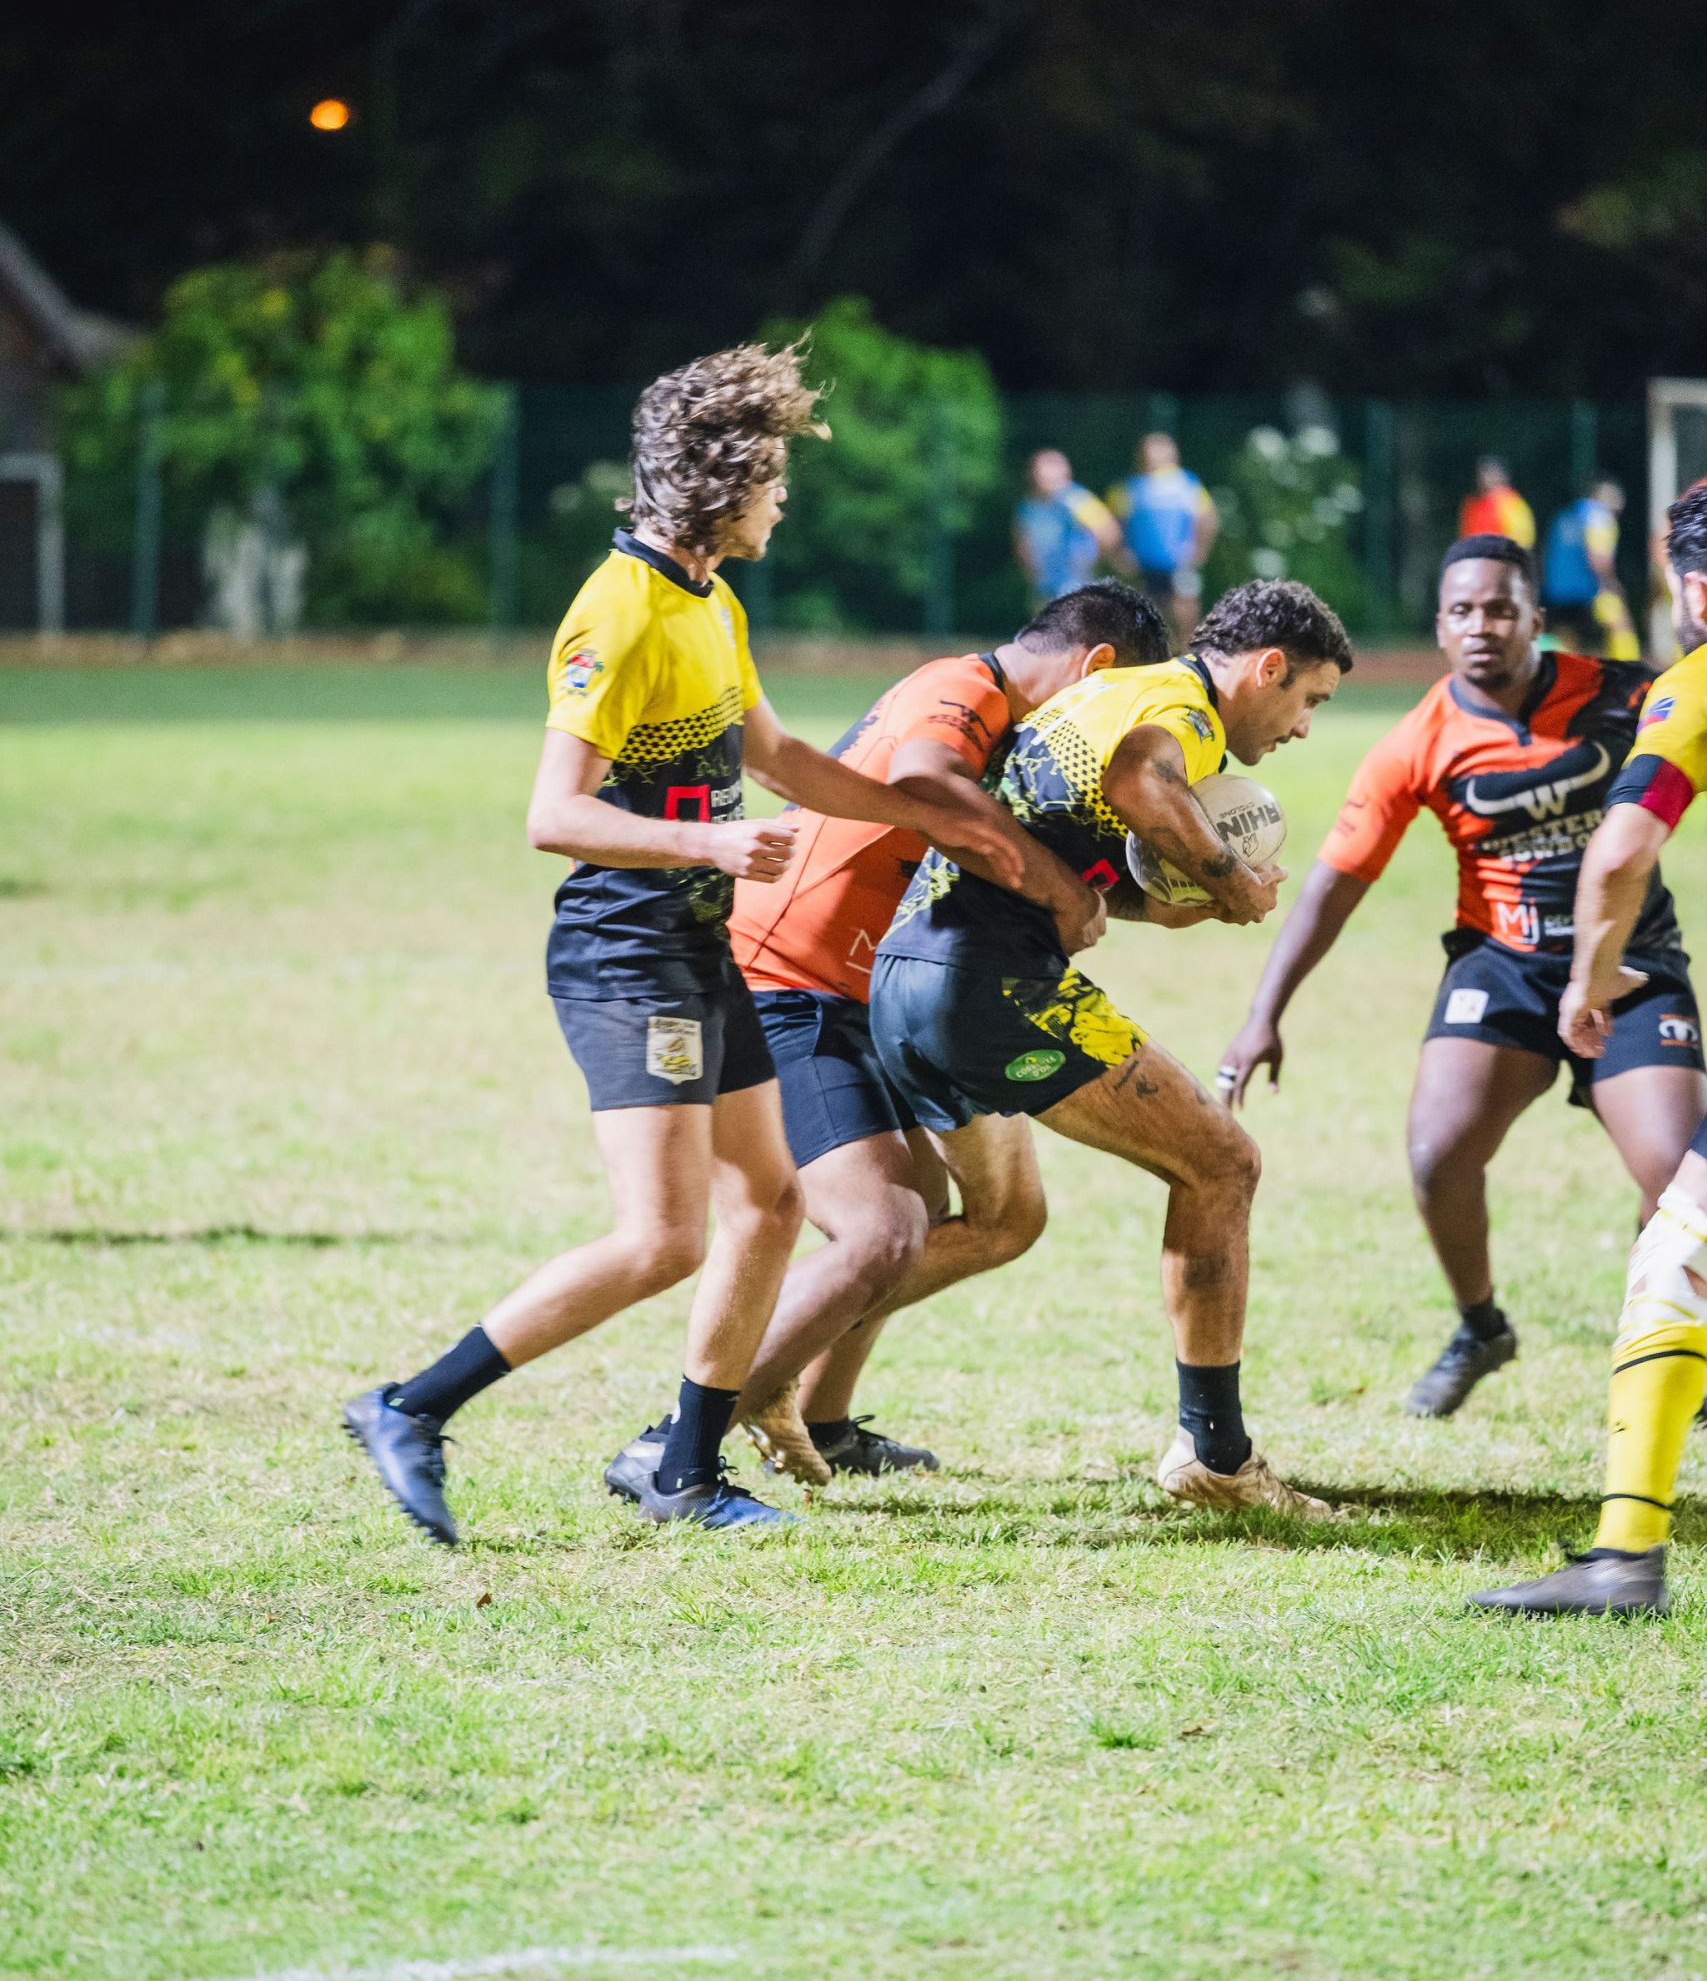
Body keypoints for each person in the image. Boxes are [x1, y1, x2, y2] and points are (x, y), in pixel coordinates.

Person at [342, 340, 1025, 1546]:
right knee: (661, 1239)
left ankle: (684, 1470)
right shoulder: (617, 613)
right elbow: (554, 814)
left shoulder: (711, 602)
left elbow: (783, 761)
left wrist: (928, 816)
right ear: (724, 481)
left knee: (769, 1204)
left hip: (701, 950)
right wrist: (712, 844)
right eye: (774, 479)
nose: (782, 501)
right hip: (628, 956)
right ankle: (409, 1407)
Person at [646, 579, 1166, 1492]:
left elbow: (1045, 866)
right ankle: (675, 1439)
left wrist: (1185, 887)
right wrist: (1056, 887)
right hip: (784, 982)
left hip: (874, 992)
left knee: (999, 1218)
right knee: (882, 1231)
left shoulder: (1024, 740)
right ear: (1097, 667)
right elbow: (924, 781)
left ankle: (822, 1416)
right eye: (1125, 701)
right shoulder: (961, 688)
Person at [869, 580, 1354, 1516]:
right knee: (1221, 1163)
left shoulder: (1106, 693)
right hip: (992, 989)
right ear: (1267, 669)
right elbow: (1140, 783)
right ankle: (1215, 1458)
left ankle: (746, 1372)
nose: (1302, 727)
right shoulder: (1185, 711)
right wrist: (1230, 878)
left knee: (996, 1221)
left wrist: (1161, 901)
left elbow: (1053, 827)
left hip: (906, 976)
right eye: (1309, 700)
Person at [1219, 537, 1700, 1419]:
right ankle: (1480, 1328)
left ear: (1535, 619)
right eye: (1462, 611)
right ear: (1439, 627)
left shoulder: (1627, 694)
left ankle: (1668, 1333)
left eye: (1501, 609)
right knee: (1437, 1155)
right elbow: (1333, 886)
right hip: (1504, 969)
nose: (1482, 626)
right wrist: (1264, 1014)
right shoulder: (1416, 742)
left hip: (1627, 965)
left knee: (1677, 1178)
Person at [1472, 480, 1707, 1615]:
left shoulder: (1693, 686)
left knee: (1676, 1262)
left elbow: (1618, 855)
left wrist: (1587, 978)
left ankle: (1624, 1562)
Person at [1107, 431, 1219, 644]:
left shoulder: (1186, 484)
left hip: (1180, 561)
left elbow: (1208, 517)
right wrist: (1120, 552)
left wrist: (1199, 549)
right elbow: (1113, 522)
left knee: (1184, 611)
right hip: (1142, 564)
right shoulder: (1128, 487)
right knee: (1147, 615)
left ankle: (1187, 651)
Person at [1542, 476, 1640, 658]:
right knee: (1620, 625)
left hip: (1557, 590)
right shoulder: (1598, 516)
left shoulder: (1565, 515)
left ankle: (1560, 672)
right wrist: (1612, 585)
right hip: (1588, 589)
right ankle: (1628, 668)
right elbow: (1598, 559)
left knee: (1566, 639)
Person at [1013, 448, 1124, 605]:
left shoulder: (1077, 500)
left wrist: (1090, 559)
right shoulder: (1028, 506)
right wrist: (1029, 565)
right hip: (1044, 583)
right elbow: (1021, 540)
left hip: (1076, 584)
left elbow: (1109, 533)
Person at [1458, 455, 1536, 551]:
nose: (1485, 478)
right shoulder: (1472, 504)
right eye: (1483, 474)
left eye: (1490, 474)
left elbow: (1522, 540)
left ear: (1503, 476)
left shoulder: (1511, 503)